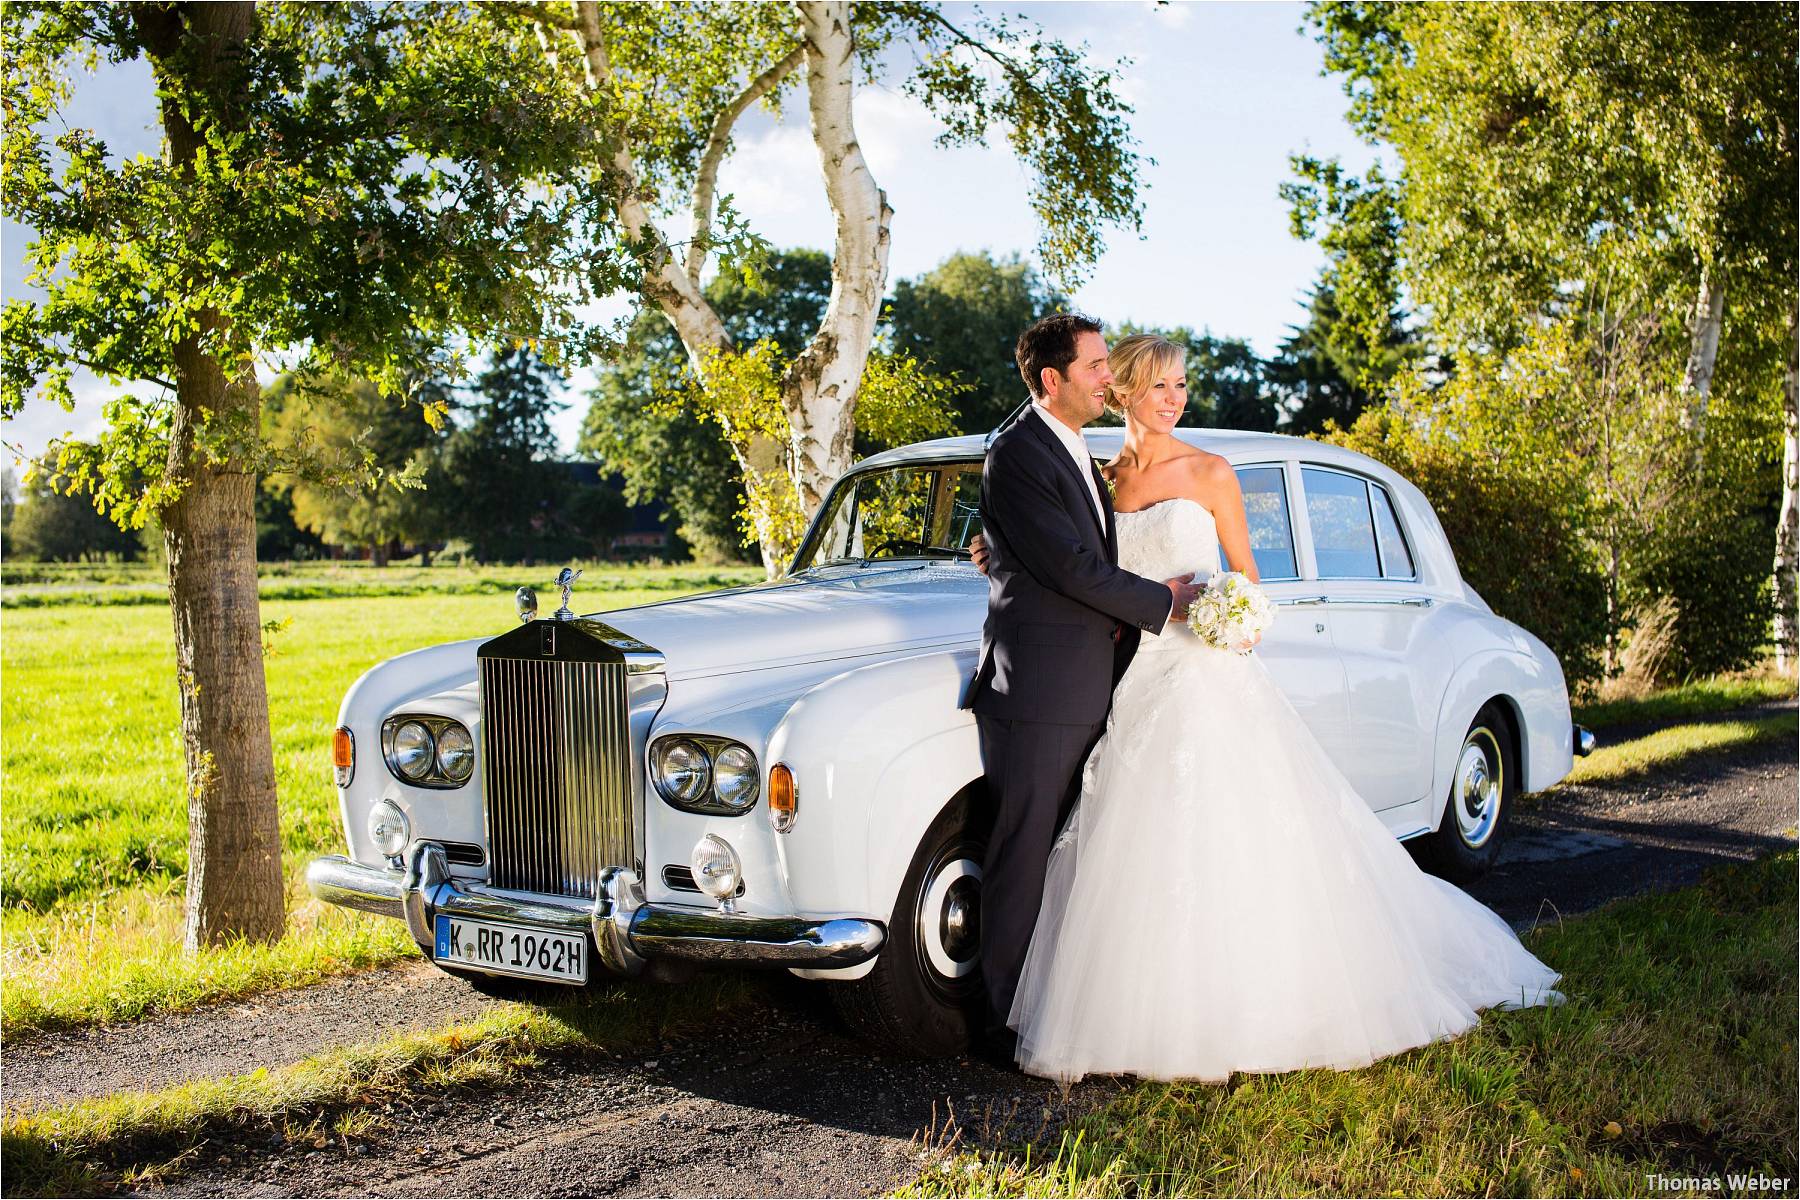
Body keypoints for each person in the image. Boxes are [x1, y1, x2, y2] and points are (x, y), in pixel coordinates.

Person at [971, 333, 1563, 1083]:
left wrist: (1231, 619)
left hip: (1202, 675)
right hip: (1131, 679)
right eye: (1158, 386)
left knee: (1232, 842)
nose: (1174, 399)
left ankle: (1247, 1008)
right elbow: (1064, 551)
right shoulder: (1101, 476)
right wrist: (995, 545)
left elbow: (1248, 582)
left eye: (1181, 385)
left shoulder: (1211, 472)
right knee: (1129, 848)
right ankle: (1136, 1008)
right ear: (1120, 392)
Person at [959, 314, 1204, 1062]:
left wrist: (996, 550)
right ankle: (1000, 1022)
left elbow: (1049, 546)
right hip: (1038, 690)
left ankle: (1053, 1004)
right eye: (1098, 366)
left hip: (1095, 682)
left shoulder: (1078, 451)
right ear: (1052, 380)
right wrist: (1167, 602)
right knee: (1024, 852)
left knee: (1070, 854)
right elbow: (1071, 567)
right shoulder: (1021, 451)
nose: (1110, 376)